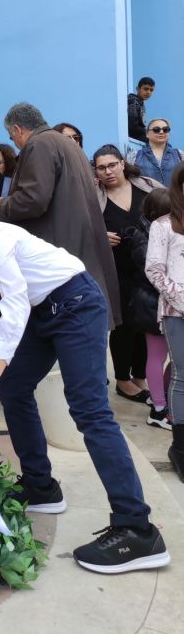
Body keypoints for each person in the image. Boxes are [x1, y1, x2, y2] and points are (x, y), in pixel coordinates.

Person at [0, 176, 170, 574]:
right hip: (45, 311)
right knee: (15, 387)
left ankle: (137, 529)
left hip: (76, 304)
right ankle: (40, 486)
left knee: (89, 410)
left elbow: (14, 301)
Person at [0, 103, 121, 328]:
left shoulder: (39, 144)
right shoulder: (69, 145)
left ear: (17, 129)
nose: (14, 142)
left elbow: (33, 200)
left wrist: (0, 205)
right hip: (79, 253)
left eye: (11, 137)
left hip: (58, 258)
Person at [94, 145, 162, 401]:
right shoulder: (94, 198)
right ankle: (122, 379)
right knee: (122, 326)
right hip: (115, 271)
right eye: (101, 168)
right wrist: (100, 237)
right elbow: (83, 228)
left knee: (146, 324)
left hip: (148, 270)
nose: (108, 171)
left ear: (122, 163)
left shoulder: (147, 188)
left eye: (112, 165)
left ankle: (140, 376)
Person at [146, 162, 184, 481]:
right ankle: (180, 446)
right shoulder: (163, 225)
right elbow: (154, 270)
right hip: (176, 312)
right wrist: (182, 300)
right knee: (182, 377)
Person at [124, 188, 173, 430]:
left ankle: (162, 397)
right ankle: (159, 409)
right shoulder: (145, 236)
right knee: (157, 356)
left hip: (163, 303)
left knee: (173, 358)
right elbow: (155, 272)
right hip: (153, 305)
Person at [134, 118, 184, 187]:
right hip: (147, 194)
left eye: (165, 129)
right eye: (156, 129)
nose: (161, 132)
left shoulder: (180, 155)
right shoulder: (135, 155)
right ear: (147, 134)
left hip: (174, 194)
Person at [128, 77, 155, 143]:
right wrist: (150, 132)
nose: (148, 92)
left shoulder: (140, 102)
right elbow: (133, 126)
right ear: (137, 89)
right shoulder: (133, 101)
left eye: (151, 90)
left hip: (138, 136)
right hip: (132, 136)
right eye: (146, 89)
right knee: (158, 140)